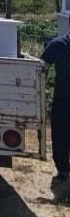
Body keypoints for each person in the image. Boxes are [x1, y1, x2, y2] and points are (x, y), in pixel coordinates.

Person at [43, 32, 70, 179]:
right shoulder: (59, 44)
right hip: (63, 98)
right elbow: (43, 67)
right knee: (60, 135)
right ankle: (63, 169)